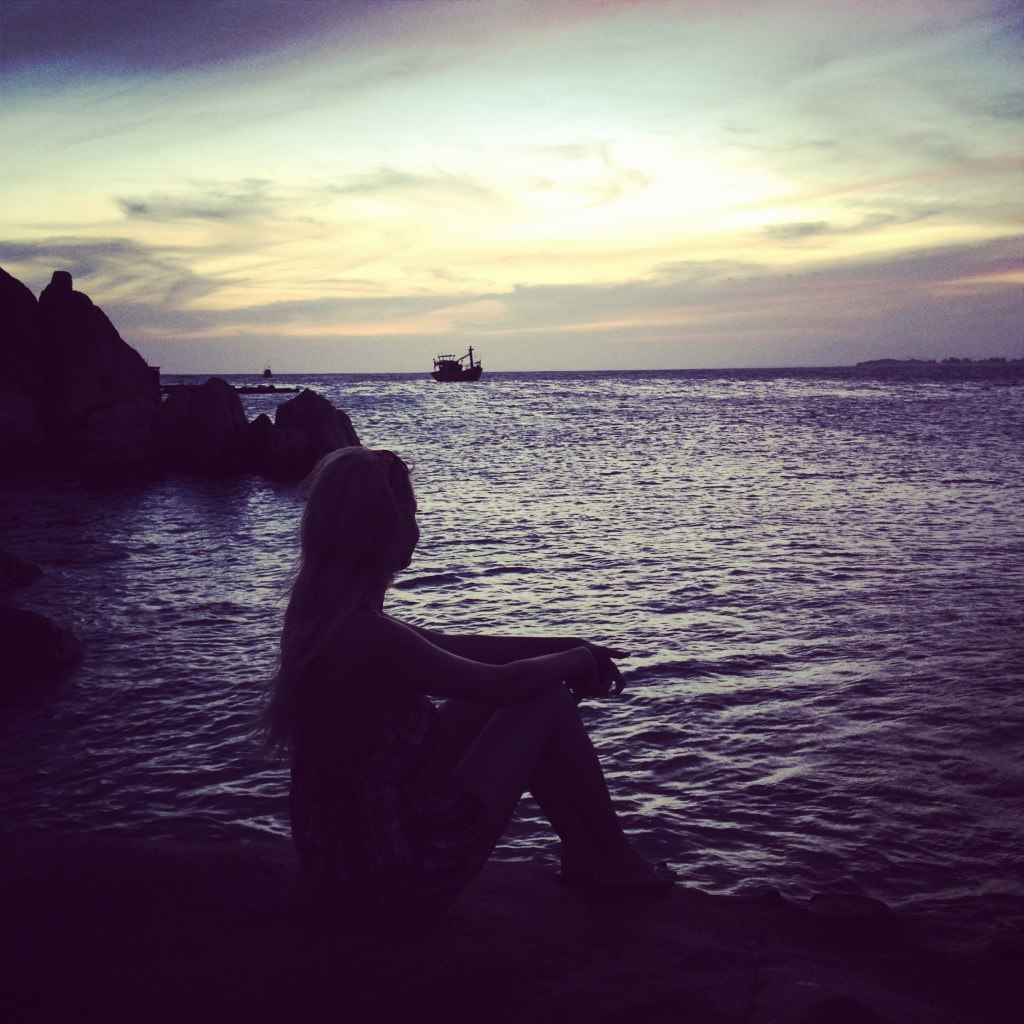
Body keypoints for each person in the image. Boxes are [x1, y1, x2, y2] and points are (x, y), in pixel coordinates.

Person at [261, 445, 674, 921]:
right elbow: (505, 686)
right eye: (411, 515)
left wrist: (568, 645)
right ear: (382, 530)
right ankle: (617, 861)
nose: (417, 528)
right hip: (392, 883)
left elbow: (456, 646)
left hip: (346, 867)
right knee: (544, 700)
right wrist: (577, 659)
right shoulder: (368, 637)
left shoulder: (330, 620)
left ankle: (583, 851)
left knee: (526, 693)